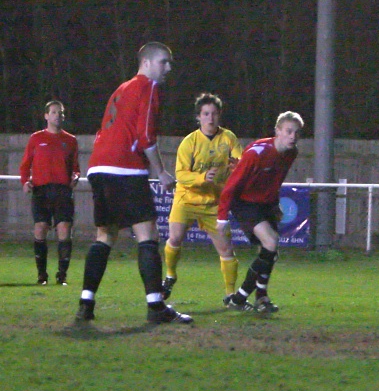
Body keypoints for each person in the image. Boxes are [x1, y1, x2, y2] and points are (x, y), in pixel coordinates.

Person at [75, 41, 192, 324]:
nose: (169, 68)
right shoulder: (148, 87)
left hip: (99, 166)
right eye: (164, 62)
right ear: (148, 63)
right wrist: (161, 171)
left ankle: (85, 304)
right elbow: (145, 136)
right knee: (148, 233)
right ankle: (156, 307)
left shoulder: (121, 88)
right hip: (124, 167)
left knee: (105, 235)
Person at [216, 111, 304, 313]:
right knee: (271, 242)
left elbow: (275, 178)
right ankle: (240, 298)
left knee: (271, 252)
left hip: (265, 203)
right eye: (288, 131)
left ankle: (261, 298)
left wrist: (274, 203)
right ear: (277, 131)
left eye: (296, 133)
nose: (293, 136)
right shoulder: (257, 153)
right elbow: (231, 187)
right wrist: (222, 219)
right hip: (245, 202)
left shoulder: (291, 152)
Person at [161, 93, 243, 300]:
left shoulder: (228, 138)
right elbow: (180, 174)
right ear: (198, 117)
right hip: (187, 199)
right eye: (206, 114)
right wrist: (202, 177)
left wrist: (238, 166)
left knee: (226, 250)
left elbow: (241, 160)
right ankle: (170, 275)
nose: (210, 118)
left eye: (214, 114)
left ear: (219, 116)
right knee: (175, 237)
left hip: (214, 203)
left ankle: (230, 294)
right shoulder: (189, 142)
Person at [19, 100, 81, 285]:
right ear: (46, 116)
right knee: (40, 228)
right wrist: (25, 182)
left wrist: (76, 177)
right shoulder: (36, 139)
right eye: (53, 112)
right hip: (41, 190)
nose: (57, 116)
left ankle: (62, 276)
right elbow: (25, 166)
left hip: (62, 190)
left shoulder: (70, 140)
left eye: (60, 113)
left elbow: (76, 168)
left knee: (64, 229)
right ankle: (42, 275)